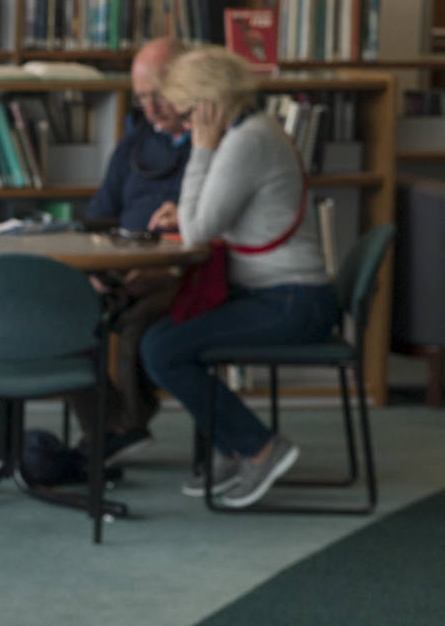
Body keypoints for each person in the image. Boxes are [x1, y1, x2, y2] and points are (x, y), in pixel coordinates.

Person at [140, 45, 337, 509]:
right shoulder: (251, 132)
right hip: (275, 296)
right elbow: (210, 216)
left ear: (208, 104)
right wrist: (189, 205)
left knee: (163, 349)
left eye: (187, 115)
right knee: (160, 337)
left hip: (292, 302)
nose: (185, 127)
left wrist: (201, 151)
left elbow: (199, 230)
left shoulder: (245, 141)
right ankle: (235, 444)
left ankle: (260, 447)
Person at [74, 36, 189, 461]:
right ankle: (106, 424)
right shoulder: (135, 142)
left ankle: (127, 425)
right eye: (142, 98)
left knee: (138, 320)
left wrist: (168, 271)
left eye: (160, 96)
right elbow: (102, 213)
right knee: (63, 310)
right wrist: (93, 269)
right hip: (121, 264)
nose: (152, 108)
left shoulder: (215, 143)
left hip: (182, 271)